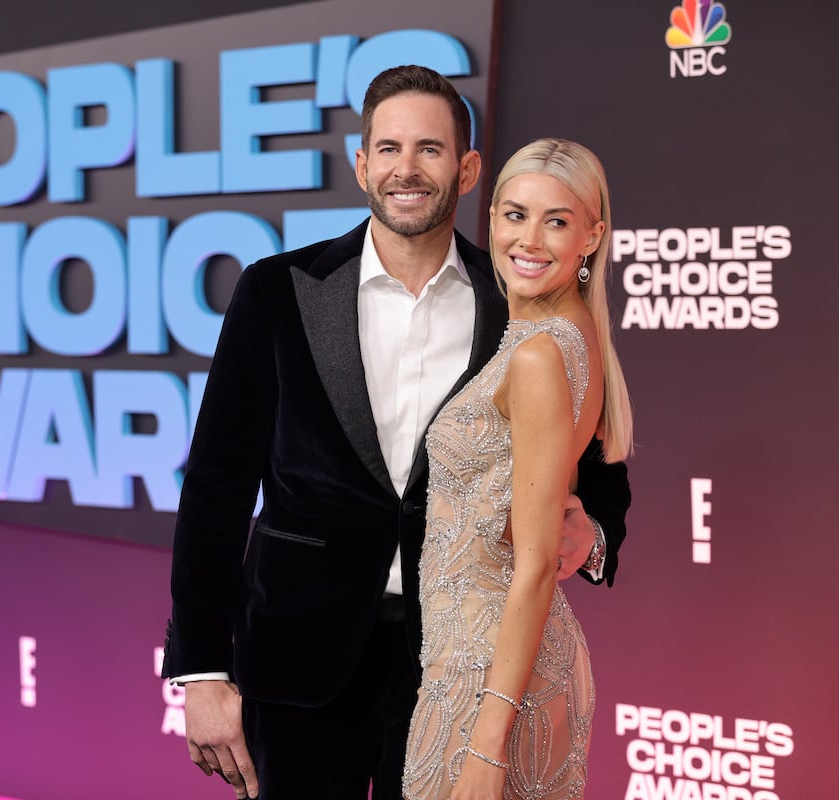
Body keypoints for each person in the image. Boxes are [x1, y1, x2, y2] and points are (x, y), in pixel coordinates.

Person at [161, 67, 630, 800]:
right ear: (361, 164)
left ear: (468, 169)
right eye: (387, 148)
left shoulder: (518, 302)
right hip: (296, 659)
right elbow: (217, 487)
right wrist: (201, 670)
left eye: (430, 150)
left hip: (455, 665)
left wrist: (592, 530)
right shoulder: (276, 291)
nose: (405, 169)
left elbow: (599, 464)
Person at [401, 138, 634, 800]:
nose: (529, 239)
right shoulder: (566, 330)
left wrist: (487, 742)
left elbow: (533, 562)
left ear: (592, 235)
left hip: (488, 674)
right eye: (515, 214)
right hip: (489, 657)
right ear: (492, 215)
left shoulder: (538, 356)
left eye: (556, 221)